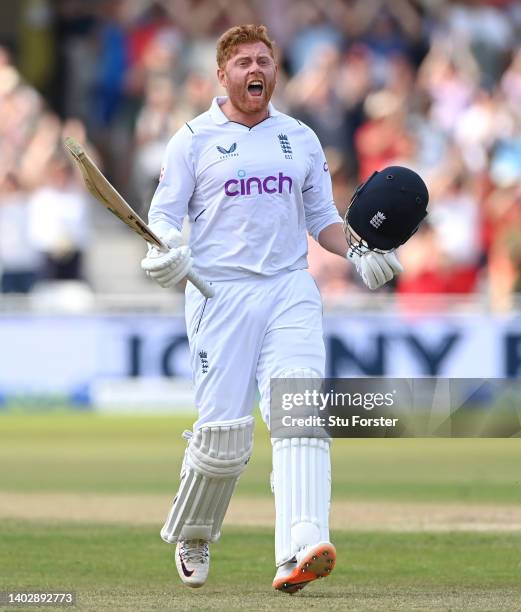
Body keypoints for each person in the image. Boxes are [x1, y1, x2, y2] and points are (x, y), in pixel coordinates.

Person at [141, 24, 403, 594]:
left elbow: (322, 220)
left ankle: (300, 545)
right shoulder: (192, 140)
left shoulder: (300, 137)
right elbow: (162, 221)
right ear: (222, 73)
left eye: (264, 60)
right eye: (243, 63)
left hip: (289, 287)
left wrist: (359, 252)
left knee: (301, 414)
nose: (255, 69)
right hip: (219, 294)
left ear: (276, 71)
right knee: (224, 442)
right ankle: (194, 531)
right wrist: (164, 254)